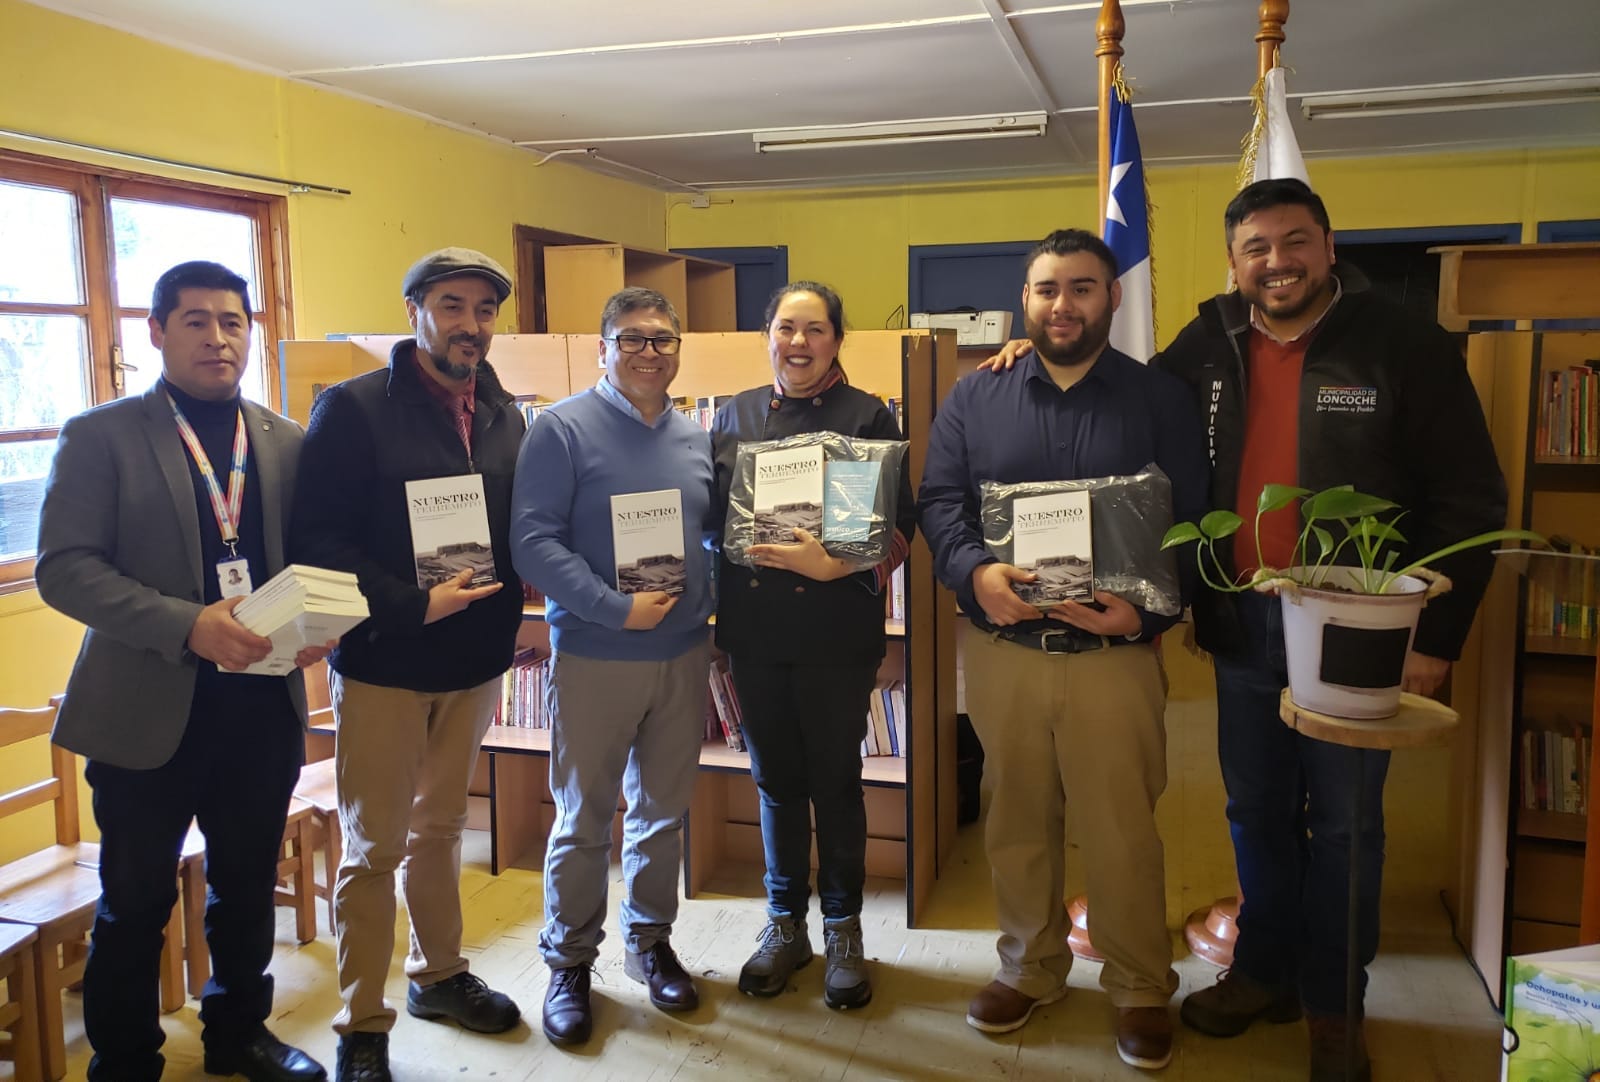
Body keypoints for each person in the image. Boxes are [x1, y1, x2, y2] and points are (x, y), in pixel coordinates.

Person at [1155, 179, 1506, 1082]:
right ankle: (1265, 971)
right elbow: (1122, 405)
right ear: (1234, 263)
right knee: (1256, 811)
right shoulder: (1206, 342)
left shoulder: (1405, 346)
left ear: (1328, 243)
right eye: (1256, 248)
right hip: (1242, 622)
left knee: (1347, 826)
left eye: (1294, 241)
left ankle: (1335, 1005)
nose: (1277, 261)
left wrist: (1435, 639)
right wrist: (1016, 358)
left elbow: (1470, 497)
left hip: (1359, 631)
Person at [918, 230, 1208, 1070]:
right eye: (1047, 289)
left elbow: (1193, 514)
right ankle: (1031, 968)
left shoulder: (1159, 398)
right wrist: (975, 573)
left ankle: (1140, 984)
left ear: (1113, 298)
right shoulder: (979, 396)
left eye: (1082, 288)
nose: (1063, 305)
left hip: (1115, 658)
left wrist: (1148, 617)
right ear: (1026, 301)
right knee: (1015, 820)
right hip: (1006, 649)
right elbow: (940, 501)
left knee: (1122, 828)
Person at [36, 260, 328, 1082]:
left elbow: (300, 562)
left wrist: (316, 627)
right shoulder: (101, 436)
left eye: (232, 321)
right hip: (144, 714)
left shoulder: (282, 439)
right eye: (195, 320)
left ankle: (240, 1032)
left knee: (243, 888)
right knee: (135, 905)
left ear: (251, 333)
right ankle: (125, 1061)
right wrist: (187, 626)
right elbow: (65, 568)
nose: (217, 337)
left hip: (260, 707)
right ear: (157, 331)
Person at [290, 248, 526, 1082]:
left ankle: (440, 975)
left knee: (441, 830)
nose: (471, 324)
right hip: (388, 658)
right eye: (453, 305)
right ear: (415, 310)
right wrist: (409, 602)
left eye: (486, 311)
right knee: (374, 845)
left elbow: (516, 527)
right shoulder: (350, 409)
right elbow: (317, 541)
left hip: (476, 658)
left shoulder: (504, 412)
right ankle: (362, 1023)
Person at [511, 286, 716, 1046]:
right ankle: (568, 962)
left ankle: (650, 941)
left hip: (683, 654)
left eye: (662, 340)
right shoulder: (560, 430)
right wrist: (611, 607)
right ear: (603, 349)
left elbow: (710, 534)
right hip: (598, 654)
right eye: (631, 339)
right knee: (585, 817)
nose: (648, 352)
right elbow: (533, 541)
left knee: (663, 813)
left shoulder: (695, 434)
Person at [709, 281, 917, 1009]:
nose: (798, 343)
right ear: (767, 333)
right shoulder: (732, 414)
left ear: (836, 340)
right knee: (774, 781)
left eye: (816, 330)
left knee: (834, 781)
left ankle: (844, 929)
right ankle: (784, 926)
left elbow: (894, 532)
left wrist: (835, 562)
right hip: (755, 632)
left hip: (835, 632)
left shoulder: (867, 416)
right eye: (786, 328)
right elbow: (712, 518)